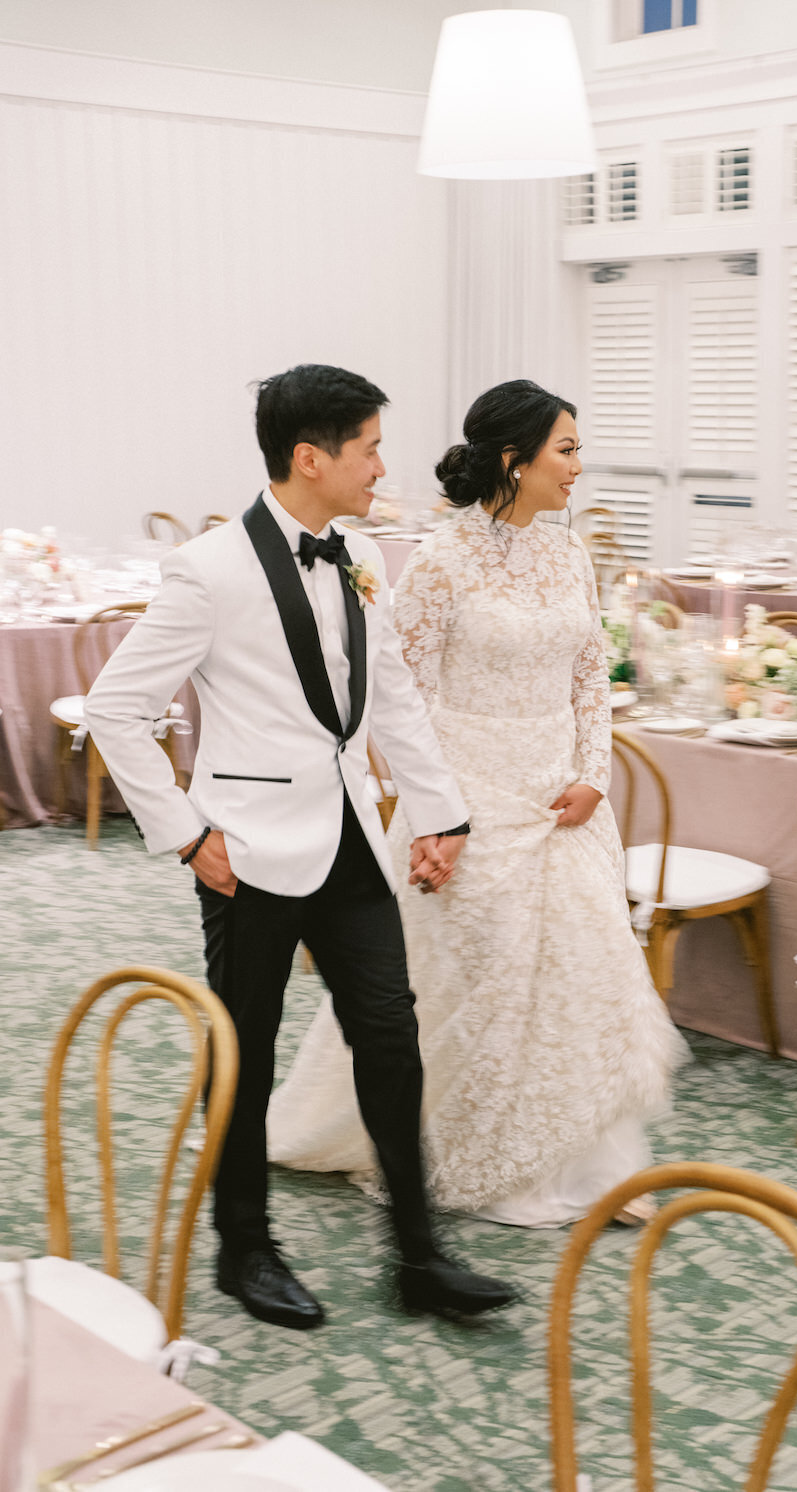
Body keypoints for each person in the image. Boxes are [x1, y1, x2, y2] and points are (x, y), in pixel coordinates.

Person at [84, 363, 515, 1327]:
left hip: (353, 839)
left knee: (391, 1042)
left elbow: (391, 695)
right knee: (244, 1049)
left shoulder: (358, 556)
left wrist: (440, 814)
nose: (381, 466)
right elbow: (117, 711)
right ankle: (245, 1250)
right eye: (369, 448)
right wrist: (187, 833)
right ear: (311, 457)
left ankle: (418, 1255)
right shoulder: (210, 570)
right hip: (247, 851)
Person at [268, 379, 687, 1226]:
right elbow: (402, 700)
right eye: (565, 449)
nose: (578, 466)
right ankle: (482, 1162)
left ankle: (585, 1167)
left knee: (583, 979)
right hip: (468, 796)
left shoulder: (569, 553)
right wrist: (434, 813)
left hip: (562, 797)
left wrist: (593, 774)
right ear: (513, 457)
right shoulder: (441, 560)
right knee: (478, 987)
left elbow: (589, 679)